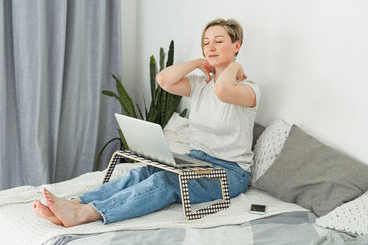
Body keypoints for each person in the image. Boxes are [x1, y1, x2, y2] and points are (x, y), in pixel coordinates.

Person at [33, 18, 260, 227]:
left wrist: (235, 67)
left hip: (229, 173)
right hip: (196, 160)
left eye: (219, 41)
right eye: (206, 42)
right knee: (143, 172)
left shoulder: (250, 90)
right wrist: (198, 62)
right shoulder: (201, 84)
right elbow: (163, 80)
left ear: (236, 46)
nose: (210, 47)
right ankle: (76, 203)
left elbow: (223, 90)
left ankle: (88, 213)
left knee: (165, 182)